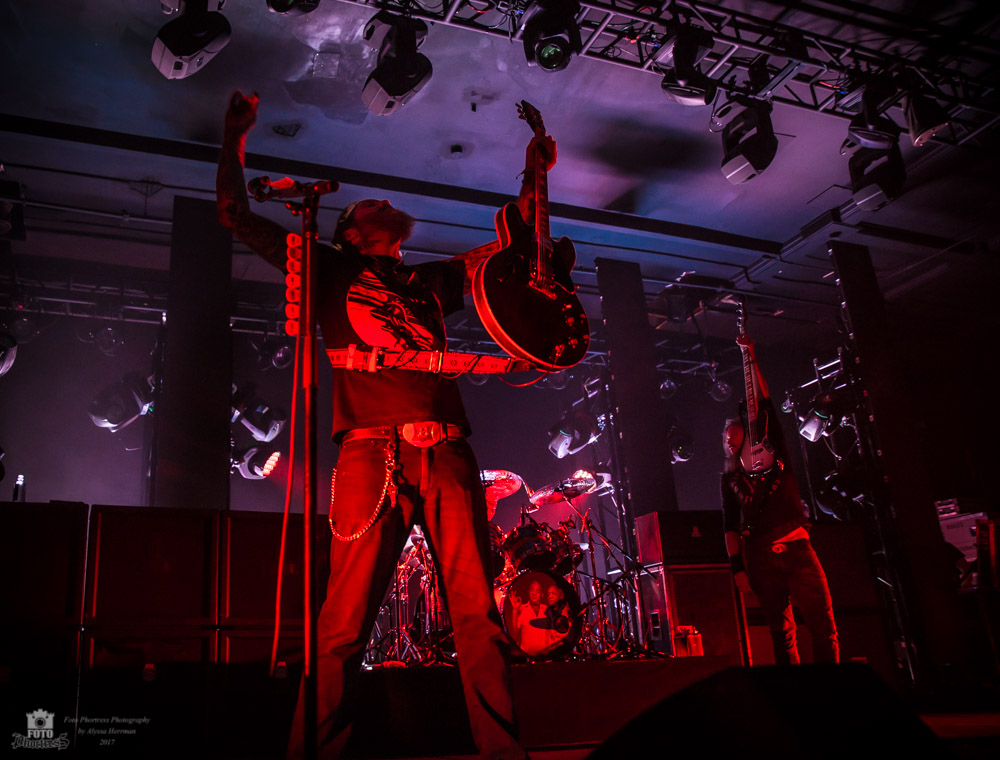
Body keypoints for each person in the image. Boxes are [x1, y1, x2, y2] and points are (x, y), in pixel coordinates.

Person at [217, 90, 554, 760]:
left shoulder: (430, 283)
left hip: (448, 453)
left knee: (478, 620)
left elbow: (508, 253)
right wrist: (234, 140)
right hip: (371, 455)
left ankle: (504, 754)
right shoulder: (330, 268)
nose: (382, 210)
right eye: (369, 210)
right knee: (342, 622)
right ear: (350, 232)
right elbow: (235, 213)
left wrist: (535, 176)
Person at [721, 333, 839, 665]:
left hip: (798, 549)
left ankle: (831, 695)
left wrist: (751, 356)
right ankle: (794, 698)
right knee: (781, 633)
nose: (731, 445)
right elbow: (729, 526)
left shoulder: (776, 455)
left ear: (749, 435)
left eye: (735, 438)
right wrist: (737, 568)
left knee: (823, 626)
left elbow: (764, 400)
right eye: (727, 443)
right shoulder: (730, 478)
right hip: (760, 558)